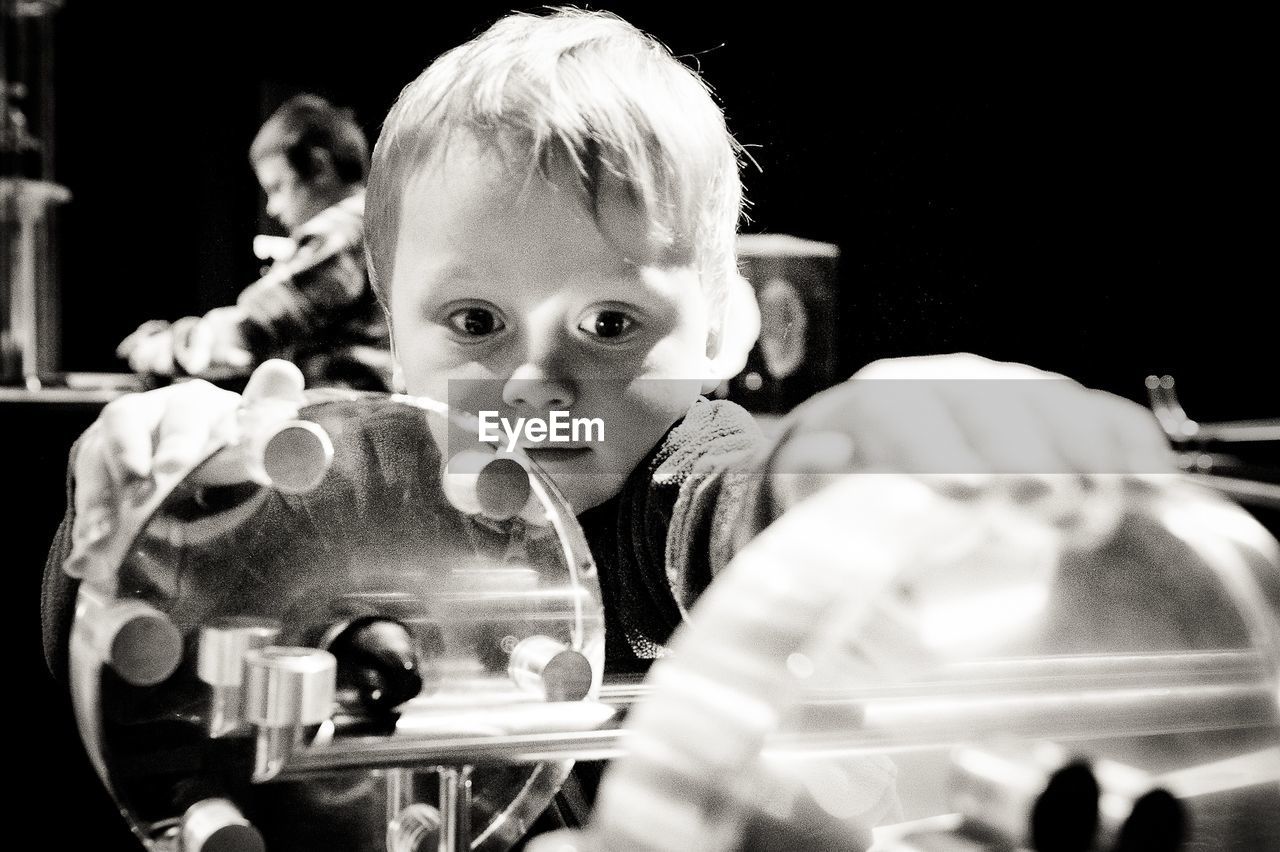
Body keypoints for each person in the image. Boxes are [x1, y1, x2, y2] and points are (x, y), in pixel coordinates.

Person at [42, 9, 1178, 851]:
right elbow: (131, 650)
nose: (538, 380)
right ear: (390, 330)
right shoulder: (343, 482)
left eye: (610, 320)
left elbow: (734, 517)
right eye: (474, 321)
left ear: (724, 325)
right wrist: (146, 512)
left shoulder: (669, 481)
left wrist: (844, 465)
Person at [117, 93, 395, 392]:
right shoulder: (378, 222)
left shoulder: (342, 230)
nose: (272, 209)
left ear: (319, 167)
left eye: (277, 187)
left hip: (347, 426)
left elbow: (253, 332)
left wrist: (160, 348)